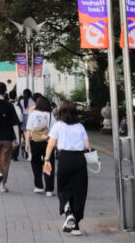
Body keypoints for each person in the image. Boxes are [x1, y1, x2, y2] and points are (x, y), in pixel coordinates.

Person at [44, 101, 90, 236]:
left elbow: (50, 144)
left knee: (63, 187)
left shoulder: (58, 126)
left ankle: (68, 211)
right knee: (79, 190)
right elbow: (87, 145)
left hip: (64, 159)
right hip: (79, 160)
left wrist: (47, 160)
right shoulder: (80, 126)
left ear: (61, 113)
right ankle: (76, 226)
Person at [25, 96, 56, 197]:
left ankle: (39, 186)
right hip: (48, 142)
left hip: (35, 142)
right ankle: (49, 189)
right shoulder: (50, 115)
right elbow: (54, 131)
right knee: (49, 163)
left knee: (36, 163)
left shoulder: (33, 114)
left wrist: (26, 144)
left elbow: (28, 130)